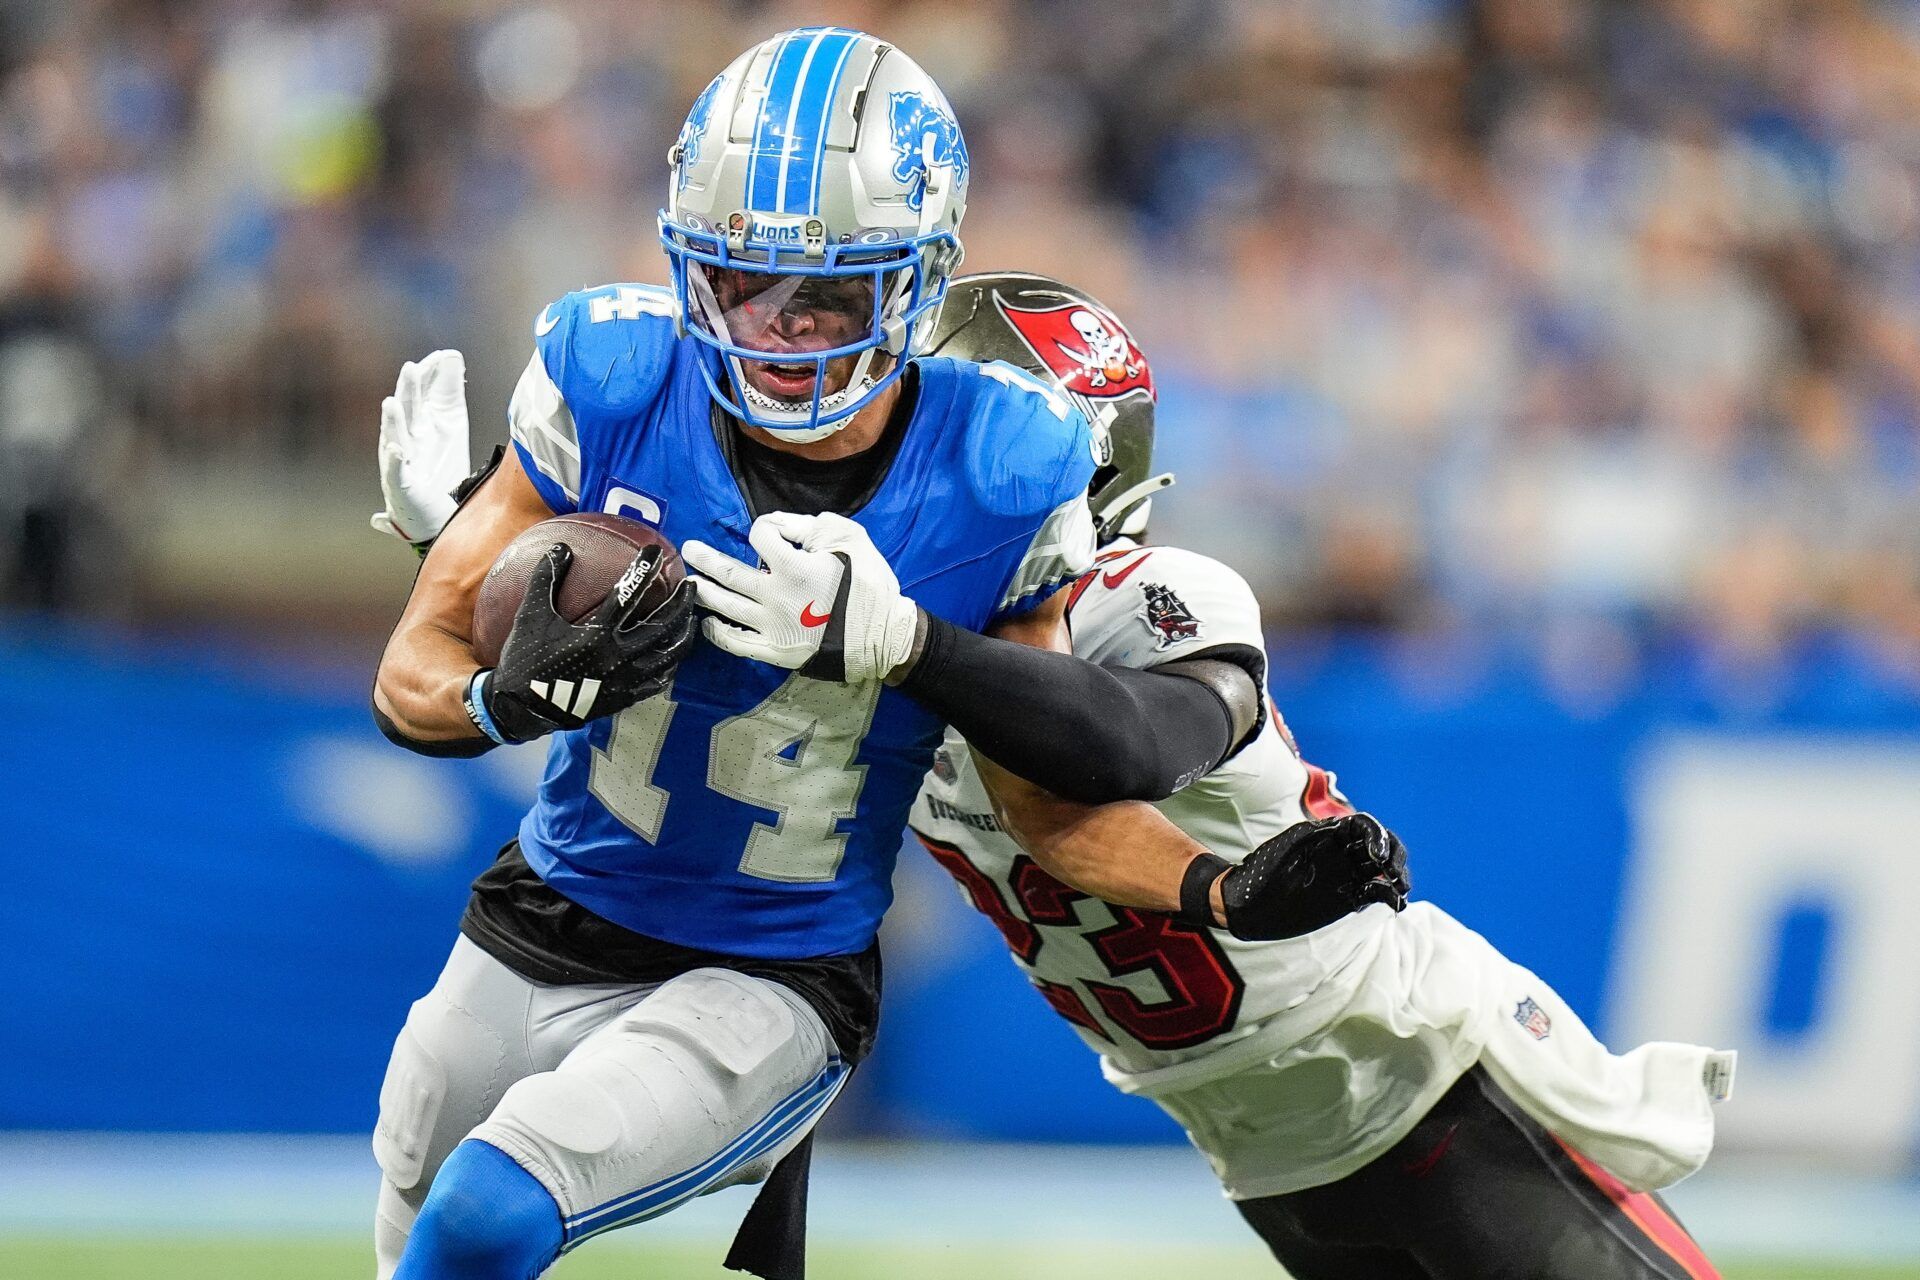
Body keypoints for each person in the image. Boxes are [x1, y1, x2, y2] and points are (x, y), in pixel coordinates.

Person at [365, 31, 1391, 1280]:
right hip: (547, 901)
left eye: (832, 293)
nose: (782, 328)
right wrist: (496, 690)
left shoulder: (1001, 461)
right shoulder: (615, 374)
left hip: (774, 963)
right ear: (691, 269)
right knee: (417, 1202)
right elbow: (412, 662)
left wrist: (1219, 888)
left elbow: (1050, 801)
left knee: (486, 1209)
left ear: (916, 280)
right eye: (746, 284)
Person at [697, 272, 1739, 1280]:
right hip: (1268, 1154)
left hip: (1433, 1075)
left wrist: (916, 645)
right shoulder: (870, 659)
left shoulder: (1146, 594)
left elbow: (1117, 752)